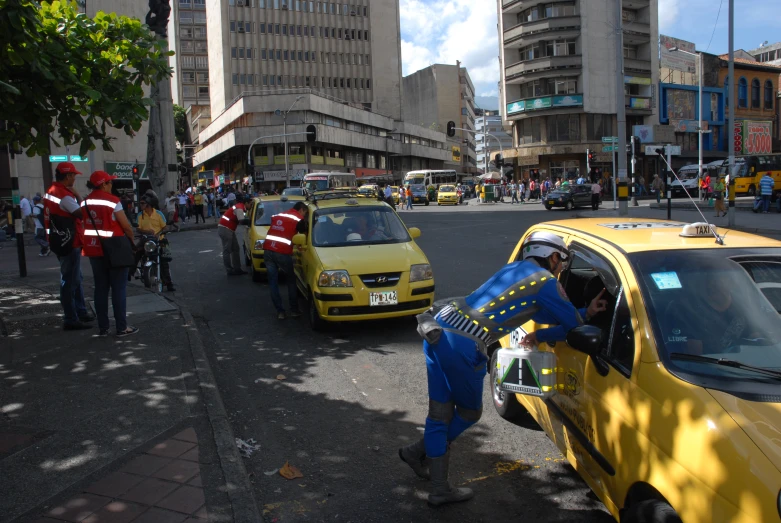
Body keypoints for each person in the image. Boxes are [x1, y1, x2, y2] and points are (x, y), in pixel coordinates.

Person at [401, 231, 608, 506]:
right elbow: (572, 326)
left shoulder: (515, 270)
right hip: (464, 342)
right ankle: (431, 474)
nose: (561, 268)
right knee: (469, 412)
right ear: (553, 256)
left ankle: (422, 460)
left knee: (439, 414)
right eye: (562, 261)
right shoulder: (546, 281)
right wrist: (552, 333)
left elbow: (540, 313)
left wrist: (587, 311)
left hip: (438, 329)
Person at [80, 170, 137, 337]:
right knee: (118, 289)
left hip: (94, 249)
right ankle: (121, 327)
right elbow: (126, 226)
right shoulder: (113, 201)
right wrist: (132, 242)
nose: (112, 185)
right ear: (103, 184)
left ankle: (103, 327)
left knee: (101, 289)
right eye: (110, 182)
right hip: (115, 250)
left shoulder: (85, 203)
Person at [45, 162, 95, 331]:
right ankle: (71, 318)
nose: (75, 178)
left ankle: (80, 312)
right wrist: (79, 196)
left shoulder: (51, 191)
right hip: (70, 241)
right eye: (73, 175)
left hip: (59, 240)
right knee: (69, 281)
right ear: (67, 176)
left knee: (75, 279)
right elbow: (83, 213)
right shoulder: (64, 195)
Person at [263, 201, 309, 320]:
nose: (305, 215)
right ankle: (294, 310)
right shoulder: (298, 219)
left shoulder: (280, 215)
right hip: (282, 252)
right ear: (301, 210)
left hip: (268, 250)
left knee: (273, 282)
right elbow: (303, 235)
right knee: (291, 280)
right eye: (305, 213)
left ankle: (280, 312)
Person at [135, 196, 175, 291]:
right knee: (135, 252)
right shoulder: (140, 215)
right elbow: (138, 228)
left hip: (159, 240)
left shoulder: (158, 214)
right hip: (146, 240)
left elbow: (165, 227)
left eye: (142, 203)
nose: (140, 205)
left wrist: (158, 234)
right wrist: (147, 232)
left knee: (164, 261)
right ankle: (130, 273)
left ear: (148, 204)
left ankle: (169, 283)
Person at [218, 194, 248, 276]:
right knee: (227, 250)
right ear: (246, 203)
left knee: (235, 248)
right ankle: (229, 270)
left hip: (228, 229)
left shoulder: (240, 207)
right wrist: (250, 221)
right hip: (225, 229)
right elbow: (241, 221)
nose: (251, 206)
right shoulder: (240, 207)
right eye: (250, 204)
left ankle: (237, 269)